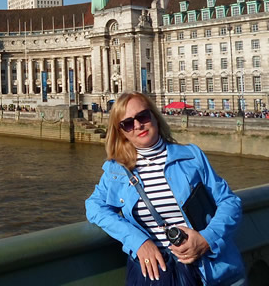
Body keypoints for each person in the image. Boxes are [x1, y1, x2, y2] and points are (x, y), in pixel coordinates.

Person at [85, 91, 245, 285]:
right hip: (157, 275)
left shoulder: (191, 156)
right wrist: (138, 242)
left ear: (154, 116)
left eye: (142, 116)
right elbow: (94, 207)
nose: (137, 125)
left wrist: (205, 239)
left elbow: (230, 202)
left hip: (208, 270)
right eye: (127, 123)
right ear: (121, 132)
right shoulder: (116, 171)